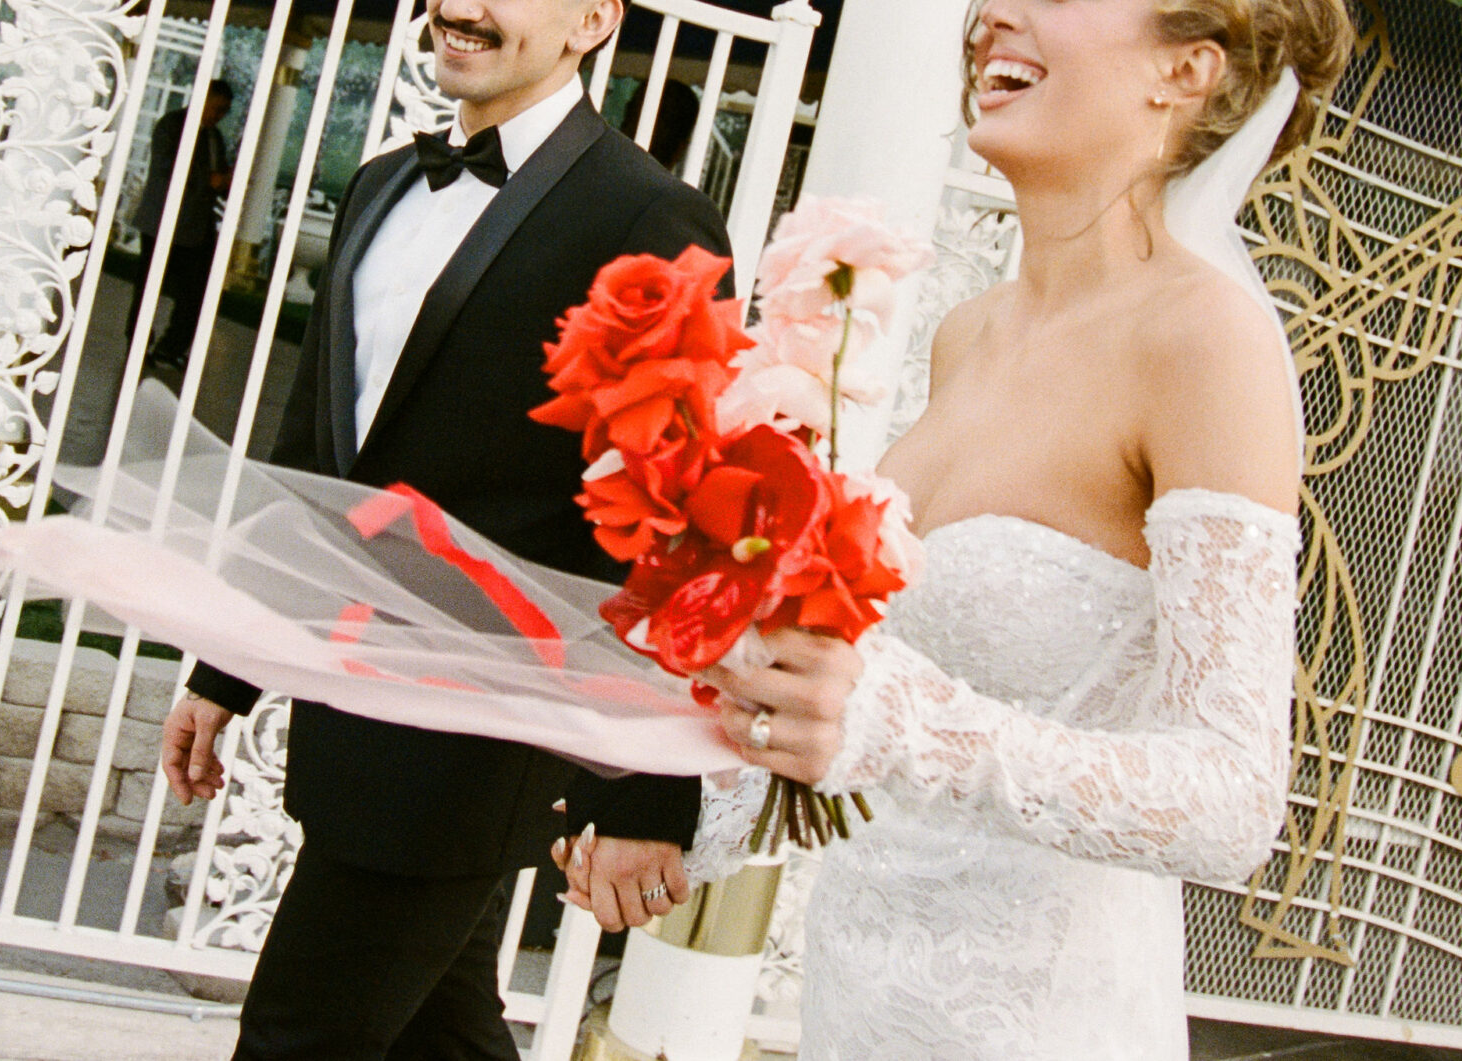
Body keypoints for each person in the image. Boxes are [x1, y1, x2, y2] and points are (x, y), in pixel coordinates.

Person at [563, 0, 1353, 1056]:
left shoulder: (1206, 341)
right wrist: (677, 817)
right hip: (860, 996)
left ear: (1189, 69)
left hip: (1039, 1020)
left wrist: (897, 723)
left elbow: (1231, 799)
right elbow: (868, 693)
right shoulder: (970, 332)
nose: (992, 15)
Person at [160, 2, 730, 1057]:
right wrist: (228, 662)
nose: (456, 7)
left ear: (592, 21)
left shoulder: (647, 218)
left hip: (482, 725)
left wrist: (651, 780)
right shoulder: (381, 183)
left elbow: (677, 516)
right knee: (444, 1033)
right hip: (356, 694)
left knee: (297, 1033)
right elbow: (315, 452)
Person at [125, 79, 235, 370]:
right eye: (216, 109)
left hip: (198, 226)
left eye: (223, 112)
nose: (218, 116)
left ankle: (171, 347)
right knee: (150, 287)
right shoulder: (171, 126)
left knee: (197, 291)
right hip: (163, 221)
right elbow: (166, 167)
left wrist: (226, 181)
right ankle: (138, 345)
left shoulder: (215, 137)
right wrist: (207, 180)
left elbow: (217, 176)